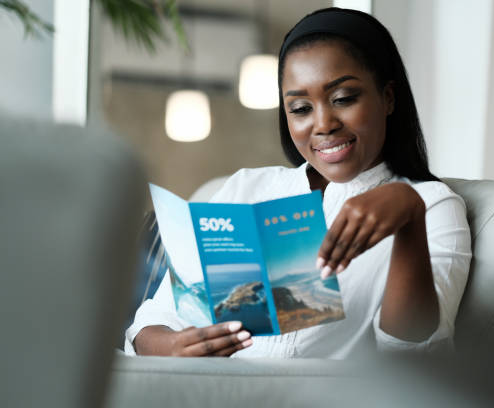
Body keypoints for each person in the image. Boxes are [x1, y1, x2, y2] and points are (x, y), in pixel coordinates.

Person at [125, 7, 471, 358]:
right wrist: (170, 346)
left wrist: (408, 218)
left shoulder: (430, 205)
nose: (323, 124)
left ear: (388, 97)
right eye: (301, 108)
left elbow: (413, 355)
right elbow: (155, 317)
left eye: (343, 99)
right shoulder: (247, 188)